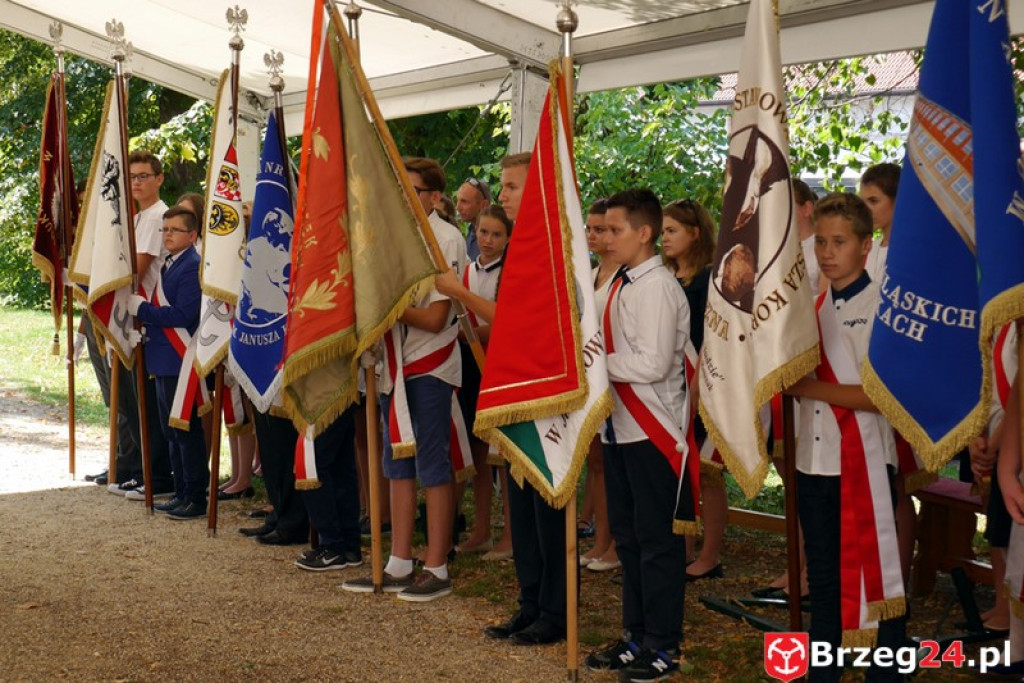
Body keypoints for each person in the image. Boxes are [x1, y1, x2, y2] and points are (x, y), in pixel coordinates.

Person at [785, 192, 905, 682]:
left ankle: (887, 669)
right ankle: (824, 670)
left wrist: (806, 386)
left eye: (839, 242)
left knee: (877, 574)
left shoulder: (883, 309)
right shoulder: (811, 308)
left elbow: (881, 396)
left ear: (865, 245)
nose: (827, 252)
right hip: (813, 462)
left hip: (863, 462)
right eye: (821, 242)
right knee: (823, 575)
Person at [343, 157, 467, 601]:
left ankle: (436, 564)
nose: (404, 198)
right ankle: (398, 559)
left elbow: (436, 318)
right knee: (396, 460)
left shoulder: (445, 239)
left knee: (432, 463)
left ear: (435, 197)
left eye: (414, 190)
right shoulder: (390, 235)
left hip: (428, 364)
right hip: (392, 363)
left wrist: (386, 309)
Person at [584, 189, 691, 681]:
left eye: (615, 230)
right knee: (627, 539)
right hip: (619, 429)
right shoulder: (618, 282)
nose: (607, 239)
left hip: (653, 430)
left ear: (643, 233)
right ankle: (636, 635)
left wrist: (592, 367)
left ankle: (663, 644)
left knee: (656, 542)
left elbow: (652, 363)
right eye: (603, 230)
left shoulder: (657, 287)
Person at [126, 205, 207, 519]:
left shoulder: (191, 266)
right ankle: (181, 492)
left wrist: (142, 310)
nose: (168, 235)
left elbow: (183, 315)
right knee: (171, 432)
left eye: (175, 230)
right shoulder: (170, 264)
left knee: (185, 432)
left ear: (192, 235)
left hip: (180, 359)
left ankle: (195, 498)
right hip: (163, 358)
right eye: (165, 230)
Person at [661, 198, 726, 583]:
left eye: (672, 230)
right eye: (663, 231)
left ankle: (709, 554)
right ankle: (680, 549)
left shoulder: (709, 279)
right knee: (676, 469)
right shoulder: (663, 277)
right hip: (667, 385)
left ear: (695, 233)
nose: (664, 238)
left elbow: (712, 337)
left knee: (708, 472)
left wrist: (698, 384)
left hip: (702, 384)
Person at [108, 150, 174, 500]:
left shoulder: (157, 217)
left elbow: (137, 267)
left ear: (159, 179)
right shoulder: (138, 217)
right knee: (135, 402)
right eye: (132, 177)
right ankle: (143, 470)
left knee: (148, 404)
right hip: (136, 317)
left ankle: (158, 474)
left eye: (143, 176)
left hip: (151, 316)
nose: (136, 182)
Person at [455, 205, 513, 558]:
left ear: (507, 238)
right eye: (483, 232)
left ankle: (510, 533)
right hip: (469, 368)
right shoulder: (465, 272)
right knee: (476, 451)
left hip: (498, 366)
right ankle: (481, 530)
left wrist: (474, 333)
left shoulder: (510, 273)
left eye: (496, 234)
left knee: (500, 454)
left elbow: (507, 320)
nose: (488, 240)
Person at [579, 198, 619, 572]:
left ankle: (617, 543)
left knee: (614, 466)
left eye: (601, 229)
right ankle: (602, 538)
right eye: (589, 229)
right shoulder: (588, 274)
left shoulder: (626, 274)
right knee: (596, 464)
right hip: (592, 378)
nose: (593, 236)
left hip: (621, 382)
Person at [859, 163, 899, 283]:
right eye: (863, 203)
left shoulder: (910, 251)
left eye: (873, 201)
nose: (865, 210)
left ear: (897, 200)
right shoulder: (868, 249)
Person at [456, 177, 492, 261]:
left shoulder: (491, 240)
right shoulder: (472, 231)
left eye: (464, 202)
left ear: (483, 205)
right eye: (458, 200)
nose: (458, 207)